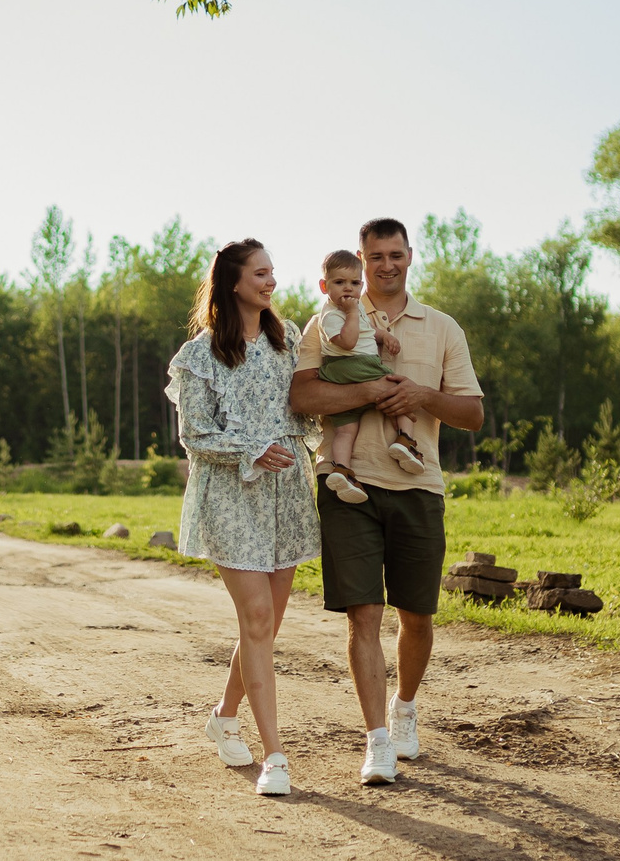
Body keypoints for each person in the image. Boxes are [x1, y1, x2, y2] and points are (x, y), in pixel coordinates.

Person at [289, 217, 483, 787]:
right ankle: (377, 741)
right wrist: (369, 390)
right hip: (347, 484)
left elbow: (472, 414)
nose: (386, 265)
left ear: (410, 256)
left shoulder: (442, 328)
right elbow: (301, 395)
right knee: (364, 614)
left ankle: (404, 708)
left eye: (395, 255)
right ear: (361, 259)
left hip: (418, 487)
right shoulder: (327, 319)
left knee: (416, 616)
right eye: (376, 256)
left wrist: (420, 395)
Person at [168, 238, 317, 799]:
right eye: (260, 273)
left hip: (286, 494)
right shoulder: (199, 356)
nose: (271, 281)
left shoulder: (289, 340)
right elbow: (195, 436)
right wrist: (253, 449)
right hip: (231, 496)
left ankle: (224, 716)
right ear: (233, 283)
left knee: (266, 627)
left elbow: (311, 401)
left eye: (272, 272)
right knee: (256, 618)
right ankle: (275, 755)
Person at [311, 249, 428, 505]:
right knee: (401, 391)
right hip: (353, 365)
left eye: (354, 283)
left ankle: (342, 470)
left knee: (346, 430)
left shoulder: (354, 309)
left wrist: (384, 336)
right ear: (324, 286)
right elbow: (348, 341)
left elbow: (366, 330)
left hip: (341, 374)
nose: (348, 289)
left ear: (361, 284)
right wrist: (352, 313)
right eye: (339, 282)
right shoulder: (331, 314)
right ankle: (406, 441)